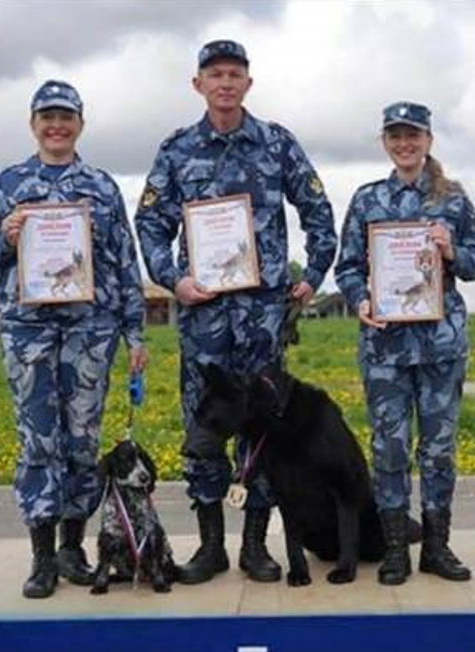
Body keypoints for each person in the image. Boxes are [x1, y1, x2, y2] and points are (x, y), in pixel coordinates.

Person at [135, 40, 337, 584]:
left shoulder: (276, 144)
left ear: (249, 83)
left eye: (235, 74)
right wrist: (173, 279)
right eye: (215, 75)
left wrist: (313, 275)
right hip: (204, 320)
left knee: (265, 428)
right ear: (197, 84)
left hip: (263, 319)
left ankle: (254, 545)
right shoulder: (176, 150)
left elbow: (319, 211)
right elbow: (150, 224)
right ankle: (209, 546)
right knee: (203, 429)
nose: (225, 83)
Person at [0, 80, 147, 599]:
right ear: (33, 124)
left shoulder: (102, 186)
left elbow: (123, 263)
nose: (56, 125)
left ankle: (74, 547)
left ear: (80, 124)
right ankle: (42, 557)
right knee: (39, 440)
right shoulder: (8, 184)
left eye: (66, 116)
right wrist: (5, 237)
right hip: (29, 333)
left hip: (91, 330)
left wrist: (135, 331)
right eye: (47, 116)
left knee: (83, 441)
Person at [335, 101, 475, 585]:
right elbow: (346, 267)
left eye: (414, 135)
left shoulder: (454, 199)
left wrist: (451, 250)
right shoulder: (367, 200)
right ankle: (396, 549)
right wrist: (362, 299)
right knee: (389, 449)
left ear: (429, 140)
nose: (405, 144)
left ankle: (437, 547)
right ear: (385, 141)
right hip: (385, 348)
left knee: (439, 449)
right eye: (395, 136)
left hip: (440, 346)